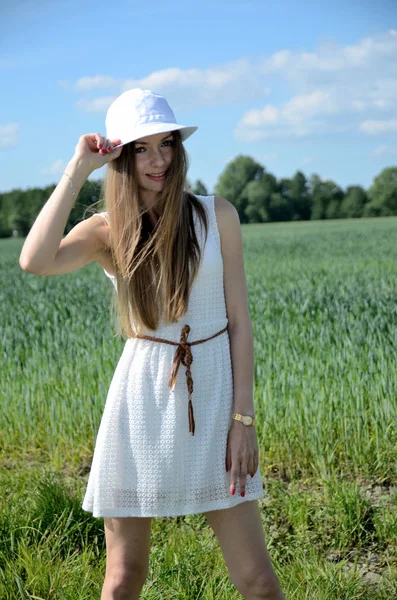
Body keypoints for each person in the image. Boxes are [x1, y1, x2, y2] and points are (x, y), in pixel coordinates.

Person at [19, 89, 285, 600]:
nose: (159, 158)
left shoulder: (216, 215)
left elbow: (238, 321)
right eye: (142, 148)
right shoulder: (106, 231)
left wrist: (243, 421)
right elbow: (35, 259)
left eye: (166, 144)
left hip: (213, 401)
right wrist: (78, 168)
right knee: (123, 579)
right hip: (140, 402)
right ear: (120, 156)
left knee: (258, 581)